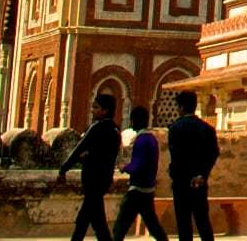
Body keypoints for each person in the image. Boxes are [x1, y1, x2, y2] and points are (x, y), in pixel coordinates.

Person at [55, 93, 121, 241]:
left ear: (105, 110)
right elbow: (106, 155)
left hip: (93, 179)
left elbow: (79, 149)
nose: (93, 110)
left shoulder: (97, 128)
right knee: (94, 219)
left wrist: (63, 169)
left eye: (96, 107)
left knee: (89, 218)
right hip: (104, 180)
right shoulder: (115, 130)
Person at [166, 91, 219, 241]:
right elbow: (213, 153)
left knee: (184, 224)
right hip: (200, 182)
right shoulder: (207, 129)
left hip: (181, 182)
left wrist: (182, 175)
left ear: (181, 107)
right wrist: (201, 175)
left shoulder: (175, 128)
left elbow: (177, 156)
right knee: (202, 220)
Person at [110, 105, 165, 241]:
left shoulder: (141, 140)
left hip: (137, 190)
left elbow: (138, 165)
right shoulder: (152, 139)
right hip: (148, 188)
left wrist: (125, 167)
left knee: (120, 226)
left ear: (134, 121)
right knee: (154, 227)